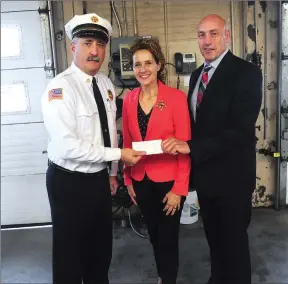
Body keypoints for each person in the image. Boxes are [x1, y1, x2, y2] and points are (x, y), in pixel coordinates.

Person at [41, 13, 144, 284]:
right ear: (73, 46)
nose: (95, 51)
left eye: (100, 45)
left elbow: (107, 132)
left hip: (98, 179)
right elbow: (67, 146)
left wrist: (111, 172)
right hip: (69, 181)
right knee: (70, 255)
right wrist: (118, 156)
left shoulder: (106, 84)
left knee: (100, 250)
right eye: (87, 43)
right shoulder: (61, 88)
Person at [162, 14, 262, 284]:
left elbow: (240, 130)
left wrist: (190, 146)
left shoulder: (246, 72)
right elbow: (195, 123)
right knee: (214, 241)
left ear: (226, 36)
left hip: (233, 179)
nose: (207, 41)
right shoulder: (196, 76)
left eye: (214, 34)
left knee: (234, 245)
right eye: (202, 35)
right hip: (206, 177)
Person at [122, 38, 191, 284]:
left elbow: (185, 146)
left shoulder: (176, 98)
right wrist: (128, 178)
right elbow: (127, 143)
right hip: (141, 179)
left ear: (159, 65)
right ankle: (163, 276)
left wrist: (179, 189)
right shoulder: (129, 100)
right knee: (153, 234)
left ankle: (168, 279)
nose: (143, 69)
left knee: (168, 237)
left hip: (169, 182)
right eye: (137, 64)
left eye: (148, 63)